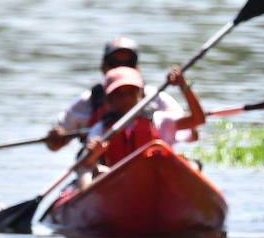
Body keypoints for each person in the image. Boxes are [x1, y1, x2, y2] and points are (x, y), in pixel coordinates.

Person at [44, 37, 194, 151]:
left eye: (129, 64)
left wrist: (184, 87)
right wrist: (58, 137)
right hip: (105, 172)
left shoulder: (157, 99)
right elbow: (54, 144)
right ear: (103, 67)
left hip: (153, 165)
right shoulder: (88, 102)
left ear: (138, 69)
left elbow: (192, 134)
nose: (122, 69)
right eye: (114, 64)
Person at [76, 64, 205, 183]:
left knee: (192, 165)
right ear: (109, 100)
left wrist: (184, 86)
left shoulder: (159, 121)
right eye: (119, 94)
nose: (126, 99)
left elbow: (198, 119)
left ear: (141, 95)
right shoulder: (101, 130)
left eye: (131, 93)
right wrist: (94, 154)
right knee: (97, 170)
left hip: (158, 180)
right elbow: (85, 164)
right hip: (119, 184)